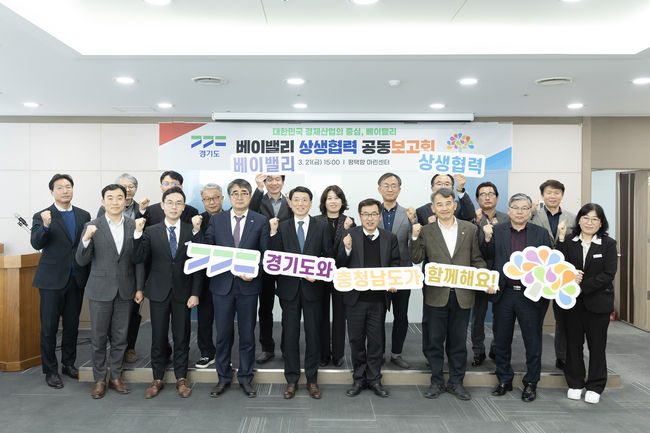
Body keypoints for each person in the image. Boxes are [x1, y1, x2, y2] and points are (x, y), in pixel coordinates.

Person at [409, 188, 490, 401]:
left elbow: (476, 259)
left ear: (455, 205)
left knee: (458, 342)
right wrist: (414, 236)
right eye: (439, 204)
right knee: (434, 341)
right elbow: (416, 258)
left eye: (448, 203)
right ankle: (436, 381)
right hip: (436, 295)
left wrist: (485, 276)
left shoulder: (470, 229)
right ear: (433, 208)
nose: (444, 208)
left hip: (462, 295)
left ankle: (456, 382)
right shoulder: (426, 231)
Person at [193, 179, 269, 398]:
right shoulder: (217, 220)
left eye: (244, 192)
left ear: (249, 196)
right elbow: (207, 248)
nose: (240, 196)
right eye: (235, 193)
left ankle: (245, 378)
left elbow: (265, 254)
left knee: (247, 335)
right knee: (223, 335)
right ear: (228, 197)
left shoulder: (260, 220)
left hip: (248, 286)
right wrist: (197, 231)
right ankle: (223, 378)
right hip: (222, 286)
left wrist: (255, 271)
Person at [75, 184, 145, 399]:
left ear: (126, 200)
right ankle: (99, 379)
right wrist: (86, 239)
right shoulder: (92, 225)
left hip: (126, 289)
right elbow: (81, 260)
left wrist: (139, 288)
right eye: (110, 197)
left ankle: (115, 376)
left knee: (120, 337)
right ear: (103, 201)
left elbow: (139, 260)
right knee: (98, 338)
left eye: (119, 198)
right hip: (100, 290)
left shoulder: (134, 225)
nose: (115, 202)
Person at [481, 193, 552, 402]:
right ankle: (504, 379)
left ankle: (531, 382)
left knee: (533, 341)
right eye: (516, 207)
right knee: (501, 340)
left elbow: (548, 264)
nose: (520, 212)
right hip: (504, 293)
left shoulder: (541, 234)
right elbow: (486, 256)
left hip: (530, 295)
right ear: (509, 210)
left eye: (524, 208)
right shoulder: (497, 231)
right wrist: (486, 238)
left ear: (530, 211)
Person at [133, 187, 200, 399]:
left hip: (184, 292)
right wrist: (137, 234)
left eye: (178, 203)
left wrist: (195, 292)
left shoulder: (192, 231)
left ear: (184, 207)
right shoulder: (150, 231)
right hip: (158, 291)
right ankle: (157, 378)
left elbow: (198, 265)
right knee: (158, 337)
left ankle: (181, 378)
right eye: (169, 202)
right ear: (162, 205)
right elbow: (139, 258)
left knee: (182, 336)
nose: (174, 207)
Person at [269, 186, 332, 399]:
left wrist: (318, 274)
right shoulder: (282, 227)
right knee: (290, 335)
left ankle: (312, 380)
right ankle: (292, 379)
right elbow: (274, 257)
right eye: (296, 199)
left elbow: (328, 255)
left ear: (311, 203)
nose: (300, 204)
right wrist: (272, 233)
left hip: (313, 289)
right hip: (289, 290)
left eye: (305, 200)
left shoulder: (321, 226)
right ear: (290, 203)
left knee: (313, 335)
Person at [30, 174, 90, 389]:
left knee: (72, 326)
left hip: (76, 279)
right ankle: (50, 370)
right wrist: (45, 226)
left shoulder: (84, 215)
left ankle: (68, 364)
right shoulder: (42, 215)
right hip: (51, 281)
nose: (65, 190)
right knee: (49, 328)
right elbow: (36, 243)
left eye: (68, 186)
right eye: (60, 187)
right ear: (52, 192)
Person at [336, 198, 400, 398]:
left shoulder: (390, 238)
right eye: (365, 214)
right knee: (356, 341)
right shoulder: (349, 235)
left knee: (376, 342)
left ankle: (374, 379)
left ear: (379, 216)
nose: (370, 218)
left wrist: (393, 280)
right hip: (355, 300)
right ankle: (358, 379)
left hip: (378, 300)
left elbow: (396, 263)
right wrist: (346, 249)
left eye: (373, 214)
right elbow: (339, 264)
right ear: (360, 216)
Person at [556, 204, 617, 404]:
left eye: (594, 219)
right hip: (572, 304)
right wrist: (561, 238)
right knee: (573, 345)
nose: (589, 223)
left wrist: (582, 287)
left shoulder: (608, 244)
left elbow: (608, 274)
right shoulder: (569, 241)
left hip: (598, 304)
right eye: (585, 218)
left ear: (601, 223)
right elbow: (558, 266)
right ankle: (575, 382)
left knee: (597, 347)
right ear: (579, 220)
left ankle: (595, 386)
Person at [96, 173, 143, 363]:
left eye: (131, 186)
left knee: (132, 314)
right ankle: (114, 352)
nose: (128, 189)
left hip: (131, 270)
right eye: (124, 186)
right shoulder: (102, 212)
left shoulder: (141, 210)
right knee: (108, 319)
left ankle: (129, 347)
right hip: (109, 274)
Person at [530, 179, 576, 371]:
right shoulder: (533, 215)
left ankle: (562, 357)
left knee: (563, 319)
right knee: (535, 318)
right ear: (542, 195)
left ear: (562, 196)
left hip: (562, 275)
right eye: (549, 193)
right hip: (539, 274)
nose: (552, 196)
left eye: (557, 193)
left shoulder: (572, 218)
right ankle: (534, 357)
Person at [250, 173, 293, 363]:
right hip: (265, 259)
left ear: (283, 182)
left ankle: (287, 348)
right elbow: (250, 212)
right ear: (265, 182)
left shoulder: (290, 201)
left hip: (286, 260)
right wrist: (258, 189)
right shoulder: (258, 199)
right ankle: (267, 348)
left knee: (288, 307)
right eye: (270, 180)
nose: (274, 183)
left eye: (278, 179)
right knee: (265, 308)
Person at [376, 172, 416, 369]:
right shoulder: (372, 211)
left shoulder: (408, 214)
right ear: (379, 189)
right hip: (378, 274)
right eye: (386, 185)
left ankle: (396, 353)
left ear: (399, 190)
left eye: (394, 185)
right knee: (377, 316)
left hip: (402, 273)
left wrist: (414, 222)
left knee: (401, 315)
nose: (390, 189)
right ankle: (378, 353)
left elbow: (413, 243)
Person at [313, 185, 355, 368]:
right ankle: (323, 354)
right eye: (329, 198)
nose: (333, 201)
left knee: (339, 316)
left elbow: (351, 249)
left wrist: (347, 230)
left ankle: (338, 354)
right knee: (321, 315)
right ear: (324, 202)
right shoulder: (315, 221)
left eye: (337, 198)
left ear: (342, 201)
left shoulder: (350, 222)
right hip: (320, 276)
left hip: (341, 275)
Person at [470, 181, 510, 366]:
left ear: (497, 197)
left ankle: (496, 347)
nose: (487, 197)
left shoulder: (507, 219)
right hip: (479, 272)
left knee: (500, 315)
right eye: (483, 194)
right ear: (477, 199)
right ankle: (478, 350)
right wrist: (478, 224)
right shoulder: (471, 219)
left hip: (502, 272)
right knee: (478, 315)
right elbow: (471, 246)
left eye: (491, 194)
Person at [194, 183, 225, 369]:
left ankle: (224, 354)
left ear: (222, 198)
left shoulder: (232, 218)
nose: (211, 202)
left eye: (215, 198)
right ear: (202, 201)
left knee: (224, 320)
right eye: (207, 199)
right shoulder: (197, 221)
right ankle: (206, 353)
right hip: (204, 278)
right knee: (204, 319)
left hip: (226, 277)